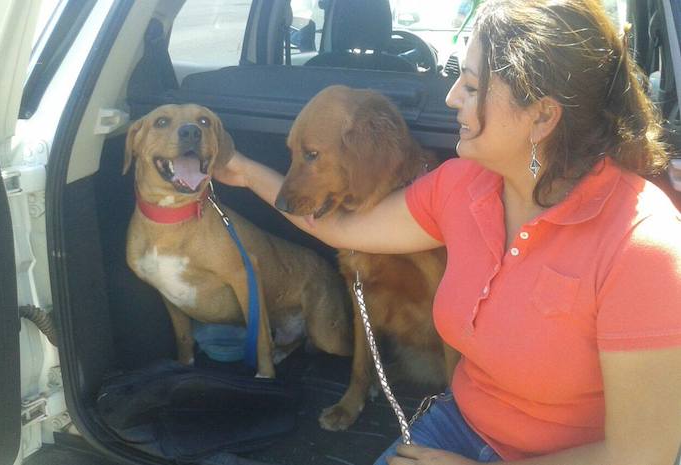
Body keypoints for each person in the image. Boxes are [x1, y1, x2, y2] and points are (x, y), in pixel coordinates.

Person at [214, 0, 681, 463]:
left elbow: (643, 452)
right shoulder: (462, 185)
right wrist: (244, 170)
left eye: (472, 85)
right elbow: (346, 231)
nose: (451, 96)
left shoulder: (642, 244)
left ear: (542, 116)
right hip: (460, 425)